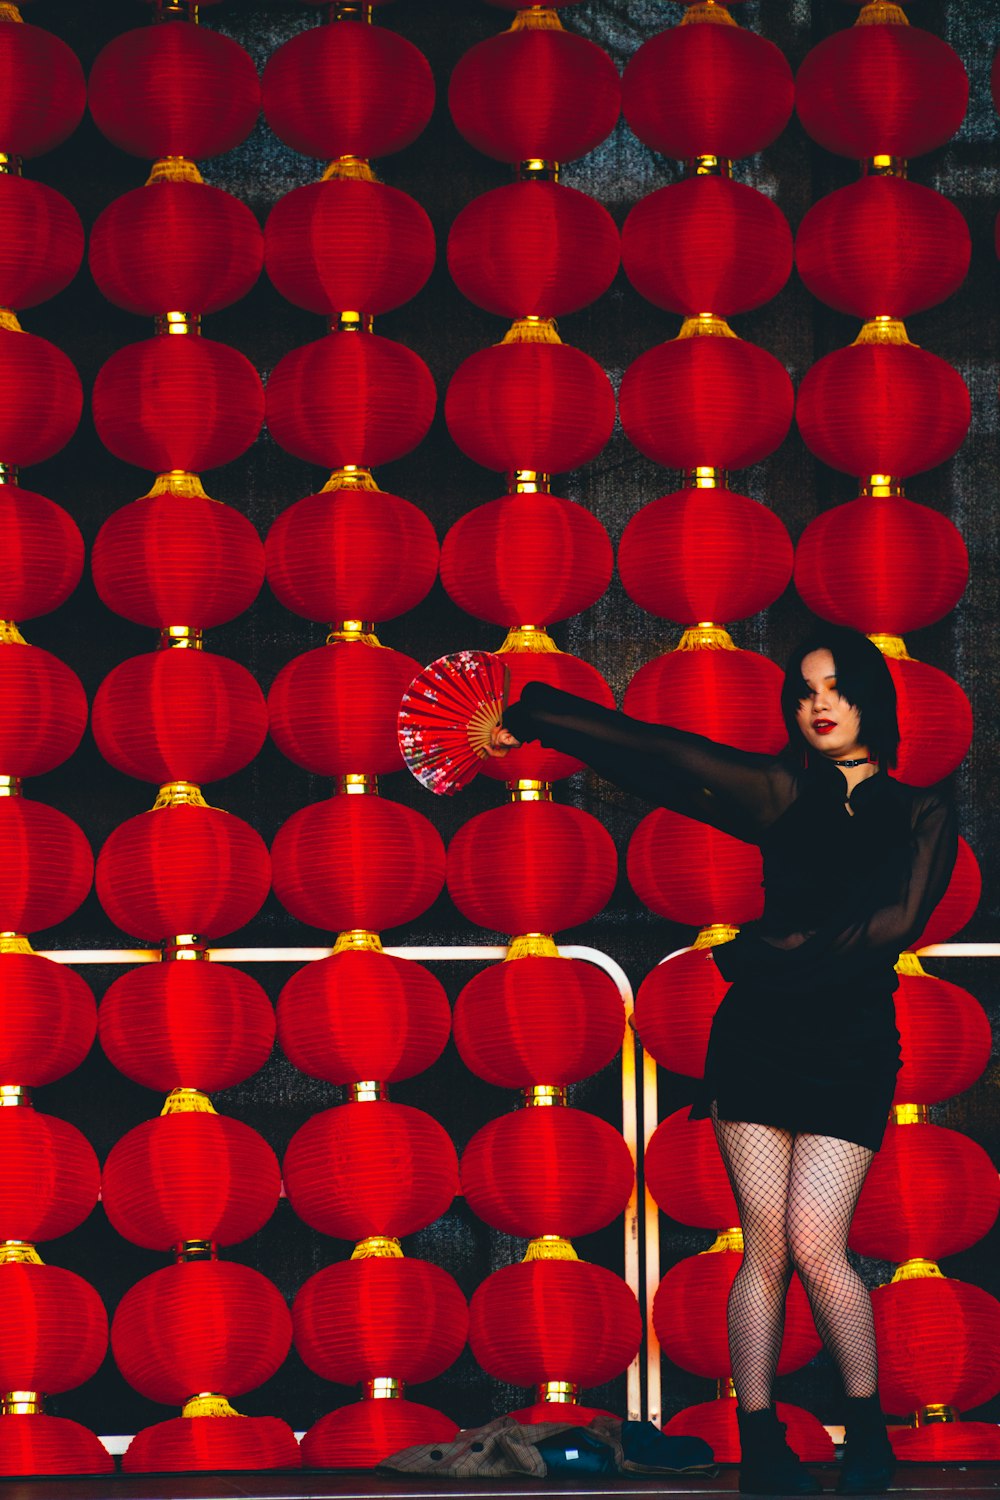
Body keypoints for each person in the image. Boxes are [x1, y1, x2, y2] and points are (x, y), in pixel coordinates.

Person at [486, 625, 958, 1498]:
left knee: (822, 1248)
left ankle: (868, 1436)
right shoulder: (783, 791)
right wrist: (542, 717)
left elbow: (895, 925)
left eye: (836, 689)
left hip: (848, 1040)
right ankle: (762, 1446)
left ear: (872, 703)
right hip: (757, 1038)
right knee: (764, 1250)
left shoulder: (921, 809)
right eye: (805, 690)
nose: (819, 704)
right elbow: (667, 757)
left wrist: (774, 954)